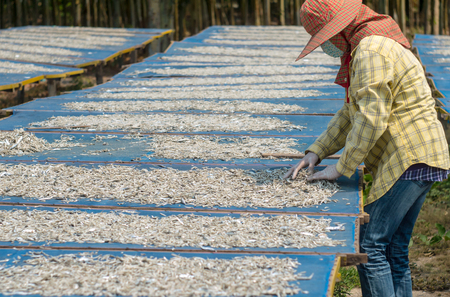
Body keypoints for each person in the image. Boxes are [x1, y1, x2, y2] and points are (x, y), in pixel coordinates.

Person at [283, 0, 450, 296]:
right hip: (426, 155)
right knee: (394, 249)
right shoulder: (374, 39)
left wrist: (341, 167)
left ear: (340, 29)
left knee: (370, 246)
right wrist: (316, 152)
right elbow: (352, 112)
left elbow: (371, 118)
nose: (329, 44)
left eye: (327, 36)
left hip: (408, 158)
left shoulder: (370, 49)